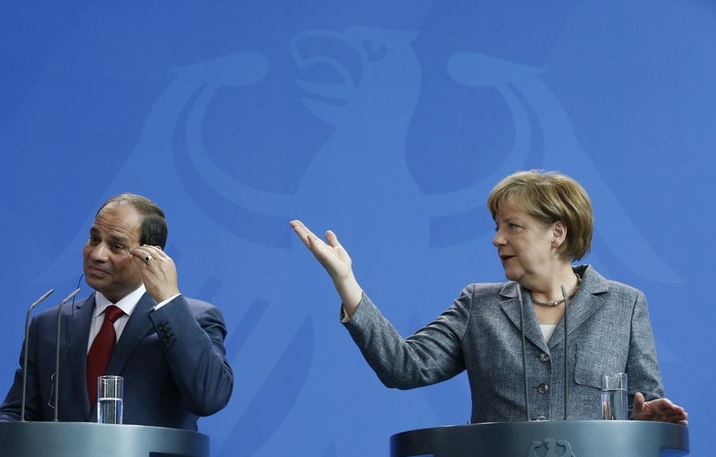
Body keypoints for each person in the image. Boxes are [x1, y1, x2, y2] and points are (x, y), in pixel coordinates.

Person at [290, 170, 687, 424]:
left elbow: (646, 403)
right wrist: (346, 281)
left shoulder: (624, 305)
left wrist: (646, 422)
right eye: (497, 226)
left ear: (557, 233)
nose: (497, 239)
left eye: (513, 226)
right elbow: (403, 367)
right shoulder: (478, 305)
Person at [0, 193, 234, 457]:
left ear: (150, 255)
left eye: (116, 246)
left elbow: (210, 396)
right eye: (94, 239)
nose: (97, 254)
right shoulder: (49, 323)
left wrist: (168, 303)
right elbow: (22, 412)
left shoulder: (192, 318)